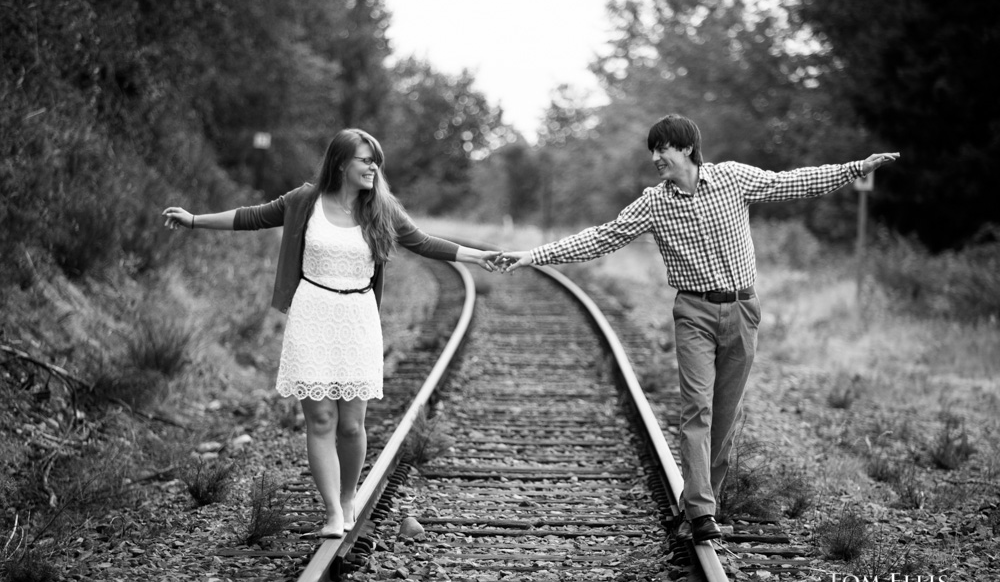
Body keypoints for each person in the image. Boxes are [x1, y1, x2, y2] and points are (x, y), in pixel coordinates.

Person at [500, 114, 898, 543]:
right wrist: (532, 256)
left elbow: (795, 182)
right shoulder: (654, 203)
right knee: (697, 409)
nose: (655, 158)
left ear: (687, 148)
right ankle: (701, 513)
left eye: (662, 149)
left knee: (725, 416)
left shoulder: (732, 179)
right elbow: (601, 238)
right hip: (694, 313)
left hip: (743, 309)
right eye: (652, 151)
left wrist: (855, 168)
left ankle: (705, 499)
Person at [162, 128, 501, 538]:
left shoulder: (381, 209)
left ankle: (347, 497)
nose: (373, 166)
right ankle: (332, 514)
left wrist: (478, 256)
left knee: (352, 424)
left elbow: (423, 242)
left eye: (376, 159)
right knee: (320, 418)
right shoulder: (305, 201)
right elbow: (252, 217)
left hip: (358, 317)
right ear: (341, 163)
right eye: (365, 159)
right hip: (312, 314)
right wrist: (194, 220)